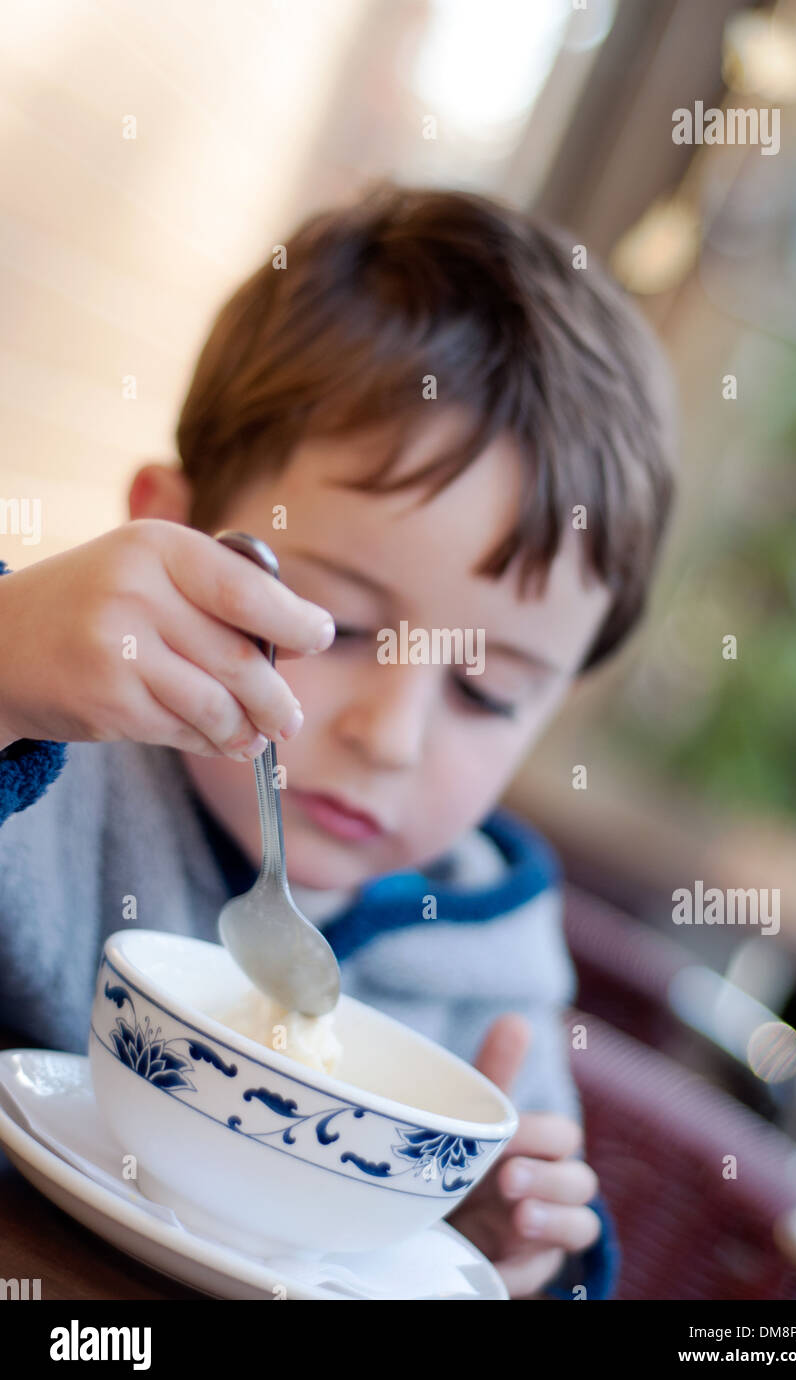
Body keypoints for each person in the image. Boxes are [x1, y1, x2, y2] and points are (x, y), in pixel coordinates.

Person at [0, 181, 676, 1300]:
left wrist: (502, 1255)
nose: (390, 735)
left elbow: (531, 1246)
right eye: (341, 627)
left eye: (487, 689)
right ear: (167, 529)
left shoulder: (491, 964)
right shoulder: (60, 755)